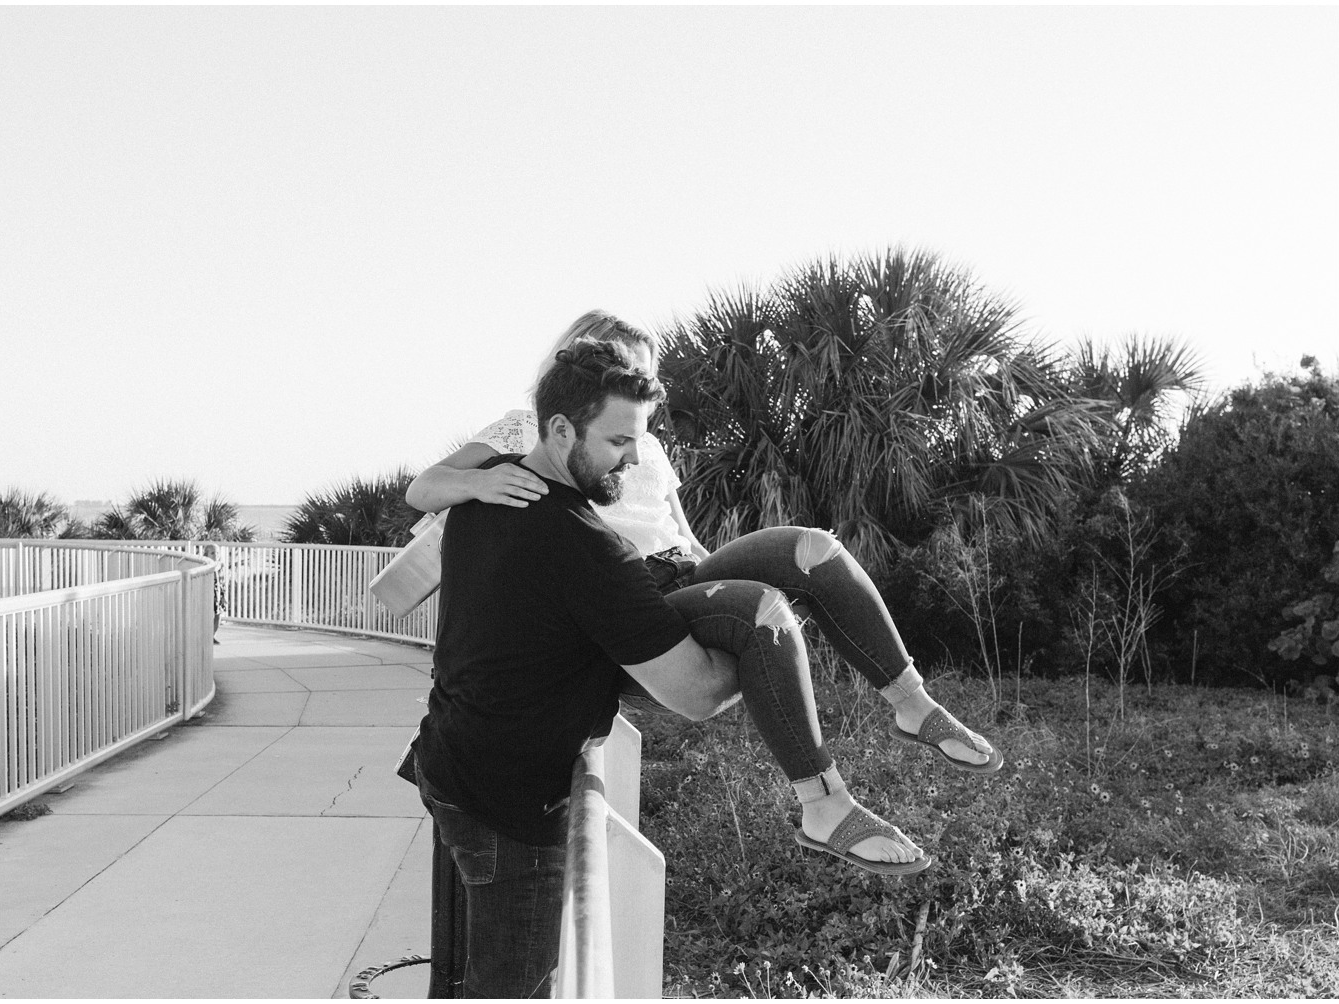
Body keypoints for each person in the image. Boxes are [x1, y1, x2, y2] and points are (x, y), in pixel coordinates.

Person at [414, 340, 931, 998]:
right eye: (619, 441)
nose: (635, 459)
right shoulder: (590, 551)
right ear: (560, 428)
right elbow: (696, 694)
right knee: (511, 988)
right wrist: (751, 641)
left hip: (450, 761)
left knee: (470, 966)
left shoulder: (489, 494)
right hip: (512, 808)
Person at [406, 310, 1003, 777]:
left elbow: (681, 532)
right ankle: (822, 798)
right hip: (629, 595)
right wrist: (479, 481)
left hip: (683, 573)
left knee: (812, 550)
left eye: (644, 373)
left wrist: (725, 572)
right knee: (760, 610)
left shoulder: (648, 448)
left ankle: (914, 704)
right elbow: (422, 489)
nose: (638, 386)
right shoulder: (530, 426)